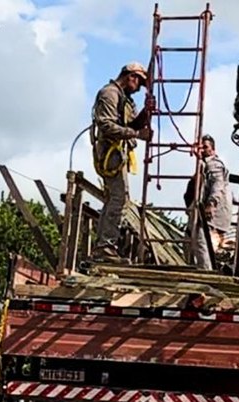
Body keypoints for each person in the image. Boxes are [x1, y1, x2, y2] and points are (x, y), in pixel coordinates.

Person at [90, 61, 154, 262]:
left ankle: (104, 245)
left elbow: (131, 123)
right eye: (139, 82)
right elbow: (107, 126)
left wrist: (146, 112)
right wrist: (137, 134)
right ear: (130, 77)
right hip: (110, 151)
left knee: (115, 199)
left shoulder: (125, 99)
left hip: (119, 153)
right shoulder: (110, 94)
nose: (139, 87)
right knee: (119, 199)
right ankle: (105, 246)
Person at [185, 134, 234, 270]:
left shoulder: (214, 165)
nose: (201, 150)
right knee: (190, 241)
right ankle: (197, 275)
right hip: (202, 213)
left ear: (213, 150)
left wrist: (211, 204)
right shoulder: (203, 165)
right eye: (200, 147)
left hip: (210, 216)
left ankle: (205, 276)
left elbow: (217, 184)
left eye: (205, 147)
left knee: (202, 244)